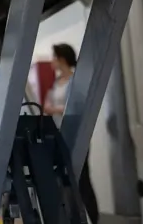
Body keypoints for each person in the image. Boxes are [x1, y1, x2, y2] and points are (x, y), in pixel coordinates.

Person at [44, 43, 100, 224]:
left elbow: (78, 108)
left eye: (54, 57)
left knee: (82, 180)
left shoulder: (75, 81)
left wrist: (56, 109)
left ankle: (93, 217)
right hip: (60, 136)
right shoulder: (56, 83)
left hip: (76, 136)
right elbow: (48, 105)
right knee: (65, 181)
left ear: (61, 59)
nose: (51, 61)